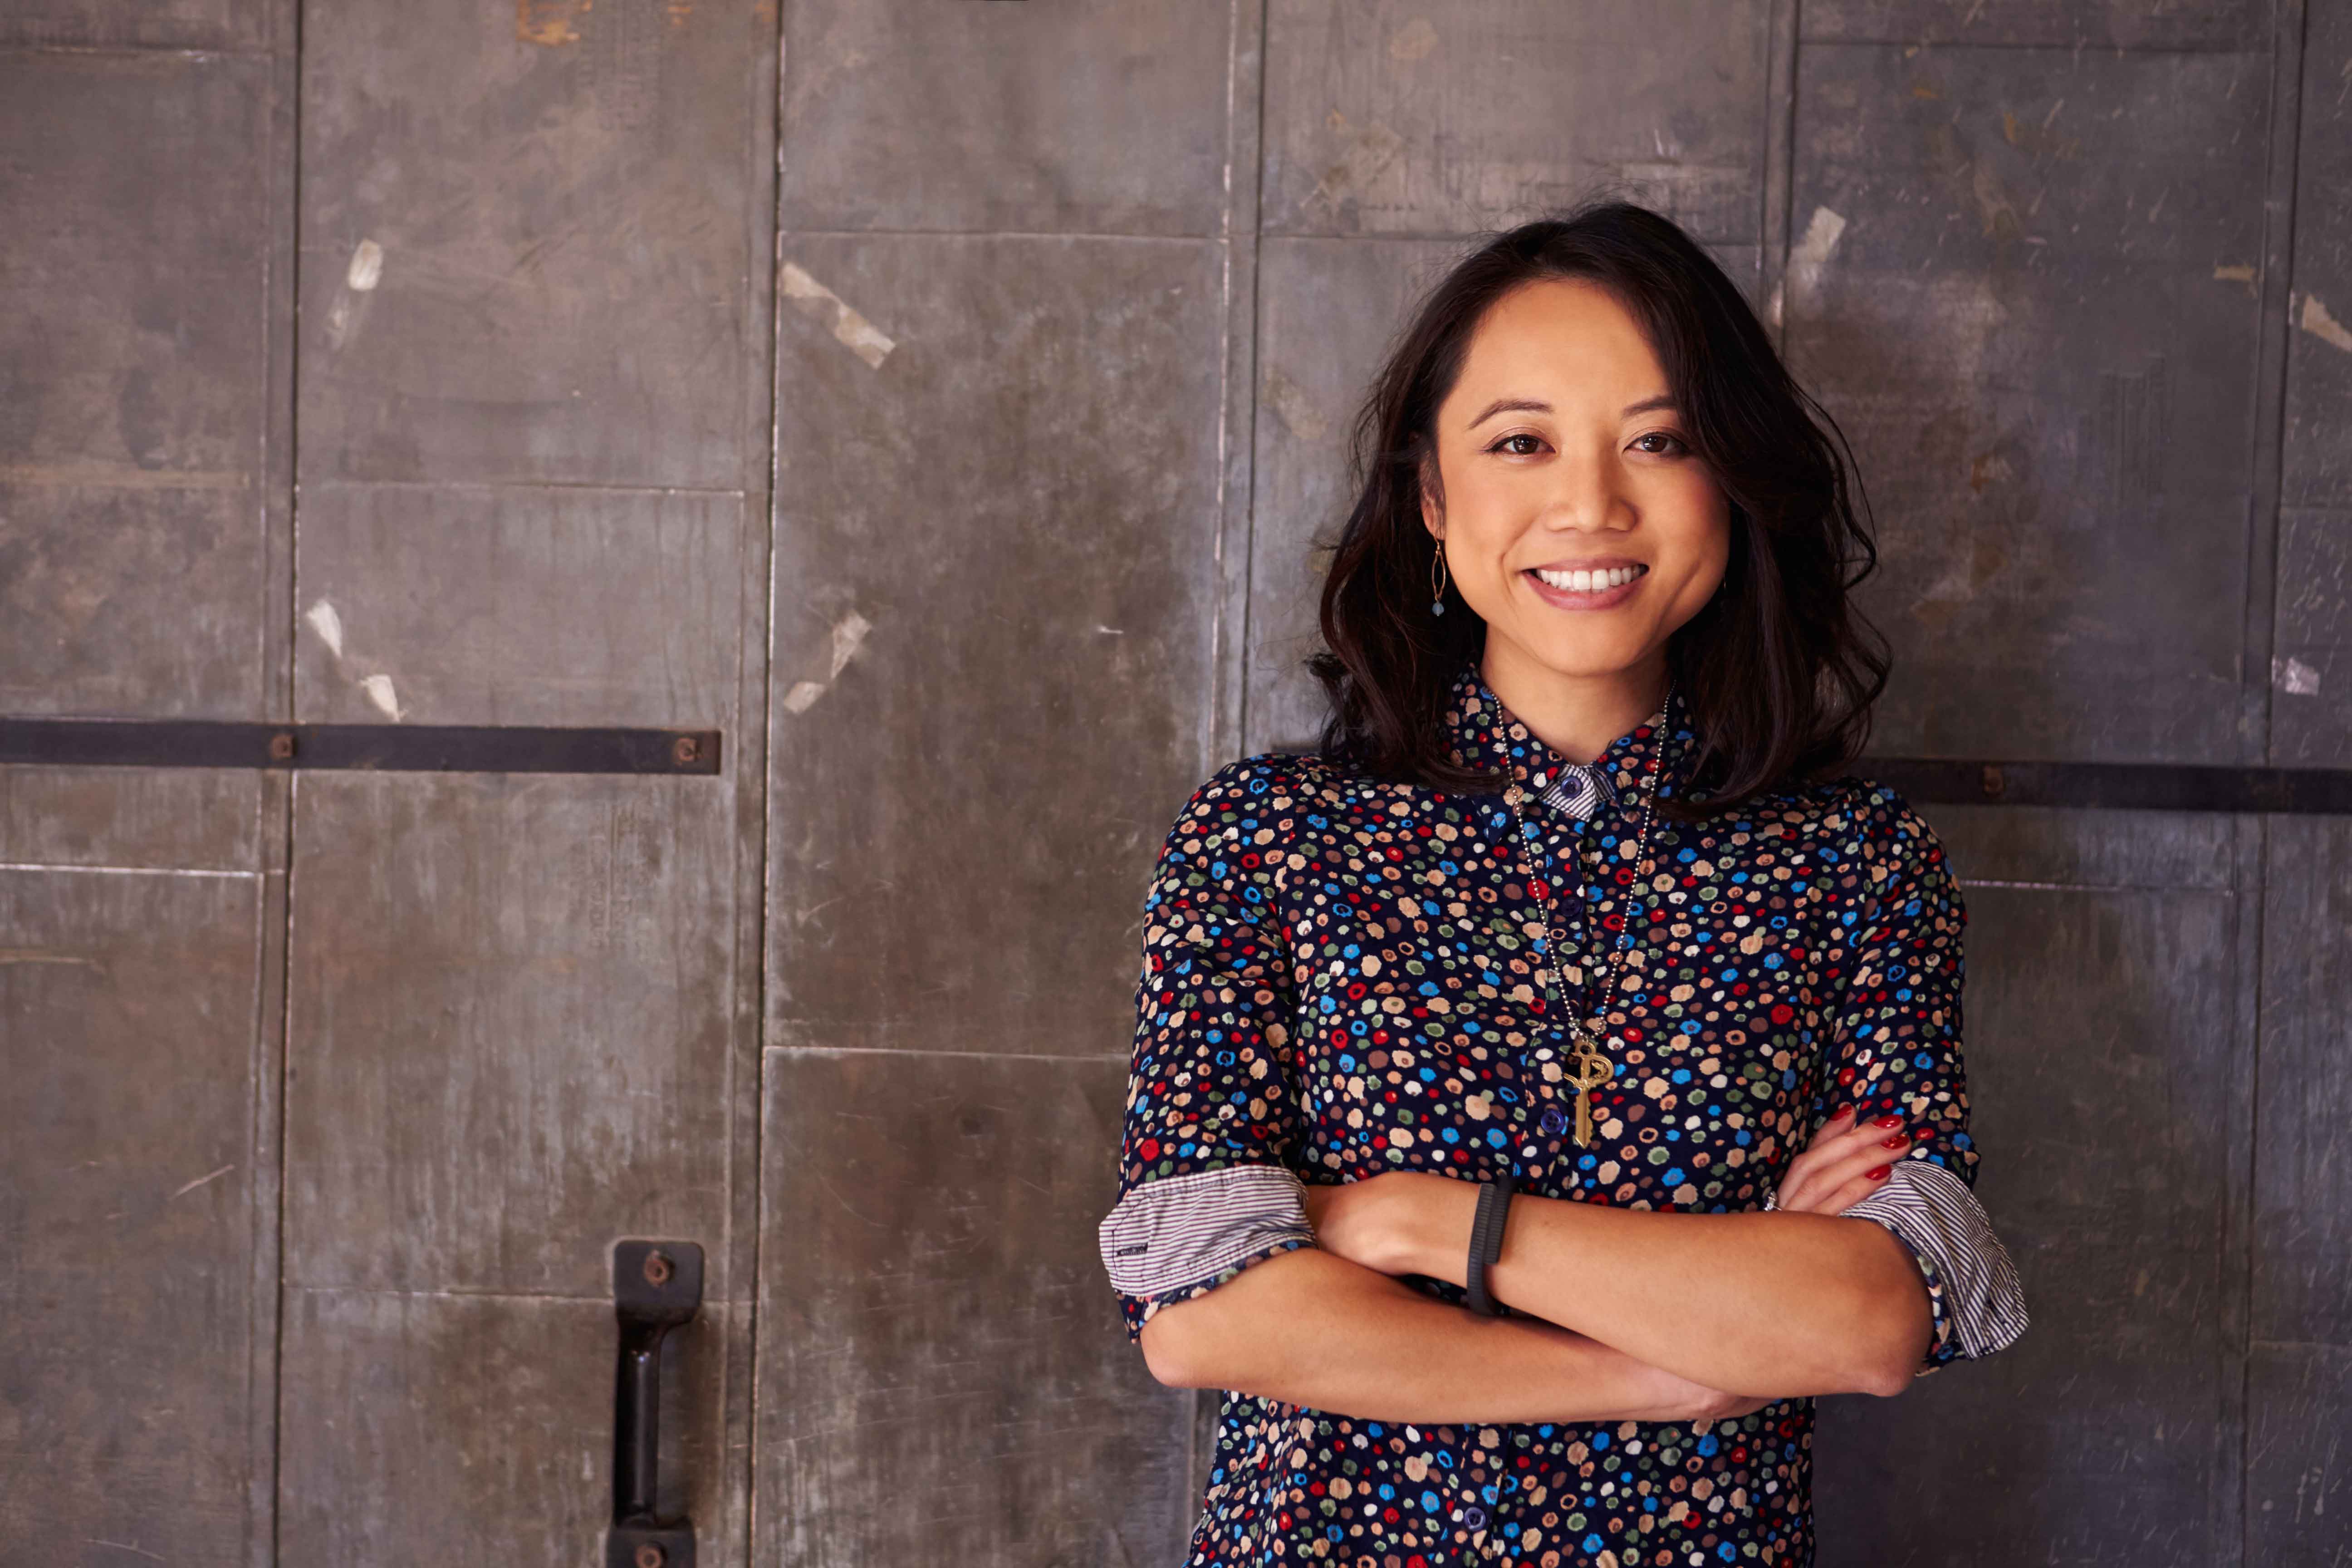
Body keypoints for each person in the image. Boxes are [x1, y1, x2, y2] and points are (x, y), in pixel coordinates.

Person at [1094, 200, 2029, 1567]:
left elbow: (1874, 1319)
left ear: (1733, 483)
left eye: (1661, 441)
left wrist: (1417, 1222)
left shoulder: (1857, 863)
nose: (1592, 506)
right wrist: (1675, 1364)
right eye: (1521, 443)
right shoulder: (1268, 840)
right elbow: (1203, 1316)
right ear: (1432, 496)